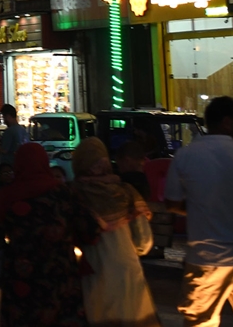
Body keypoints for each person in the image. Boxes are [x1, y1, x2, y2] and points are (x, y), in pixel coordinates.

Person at [164, 95, 233, 327]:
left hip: (205, 258)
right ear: (226, 122)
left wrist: (197, 209)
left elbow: (171, 203)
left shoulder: (185, 155)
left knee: (200, 321)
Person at [0, 142, 99, 326]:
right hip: (60, 273)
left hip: (22, 277)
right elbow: (90, 229)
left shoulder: (8, 195)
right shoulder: (63, 193)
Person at [71, 138, 158, 327]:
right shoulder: (125, 192)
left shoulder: (71, 195)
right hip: (127, 270)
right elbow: (144, 240)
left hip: (89, 274)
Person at [0, 104, 29, 169]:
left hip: (9, 166)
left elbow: (4, 150)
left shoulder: (9, 131)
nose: (4, 120)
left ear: (8, 116)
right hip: (21, 165)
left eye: (4, 117)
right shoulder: (23, 130)